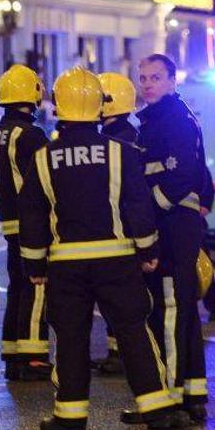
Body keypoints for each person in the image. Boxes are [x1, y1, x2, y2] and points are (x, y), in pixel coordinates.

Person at [18, 66, 192, 430]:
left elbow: (33, 214)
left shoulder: (44, 158)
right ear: (98, 106)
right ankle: (156, 408)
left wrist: (33, 262)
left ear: (58, 106)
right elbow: (137, 206)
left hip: (67, 265)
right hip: (116, 260)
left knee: (70, 338)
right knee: (133, 331)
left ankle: (70, 414)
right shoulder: (120, 153)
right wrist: (148, 250)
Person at [127, 53, 208, 423]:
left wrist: (151, 213)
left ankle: (172, 396)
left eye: (155, 78)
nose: (147, 84)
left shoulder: (172, 118)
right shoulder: (163, 117)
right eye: (143, 78)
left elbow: (182, 174)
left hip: (173, 223)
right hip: (178, 222)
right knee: (181, 308)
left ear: (173, 80)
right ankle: (190, 392)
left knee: (172, 308)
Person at [0, 64, 52, 381]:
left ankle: (13, 350)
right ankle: (32, 354)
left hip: (10, 219)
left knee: (17, 284)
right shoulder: (30, 135)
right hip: (31, 221)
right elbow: (45, 178)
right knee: (36, 284)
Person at [92, 71, 140, 375]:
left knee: (117, 298)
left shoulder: (114, 140)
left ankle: (121, 353)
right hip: (124, 227)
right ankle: (116, 350)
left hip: (118, 227)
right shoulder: (130, 134)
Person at [199, 166, 215, 322]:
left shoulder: (192, 158)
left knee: (203, 267)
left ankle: (214, 305)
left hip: (193, 224)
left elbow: (206, 188)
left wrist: (205, 207)